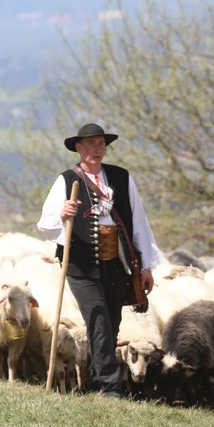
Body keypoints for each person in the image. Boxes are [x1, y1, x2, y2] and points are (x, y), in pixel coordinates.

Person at [37, 123, 162, 397]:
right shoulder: (66, 180)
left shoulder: (121, 178)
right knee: (98, 319)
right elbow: (45, 225)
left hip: (116, 262)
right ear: (79, 148)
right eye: (91, 144)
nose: (97, 149)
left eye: (101, 144)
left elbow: (138, 223)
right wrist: (63, 213)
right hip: (80, 264)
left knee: (113, 321)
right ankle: (110, 386)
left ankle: (95, 382)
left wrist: (147, 265)